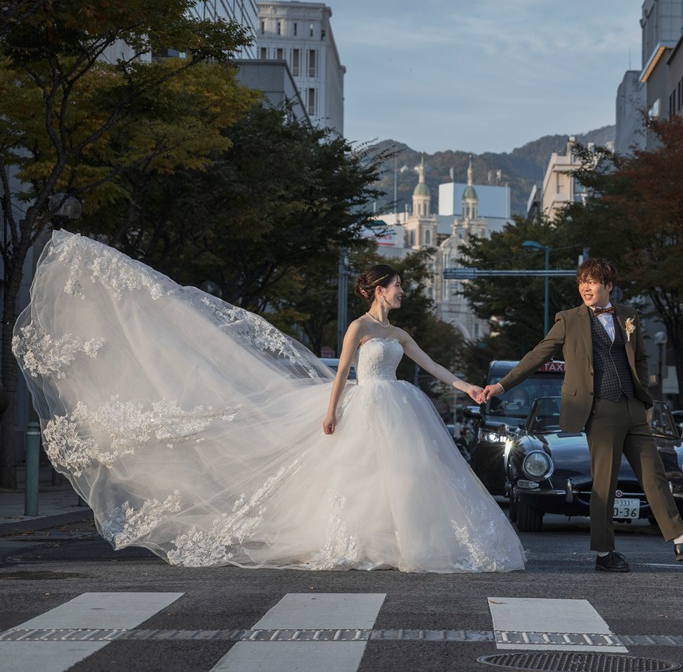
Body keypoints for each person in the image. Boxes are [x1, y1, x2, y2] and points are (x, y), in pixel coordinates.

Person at [14, 231, 525, 573]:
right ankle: (366, 541)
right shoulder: (358, 327)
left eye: (401, 286)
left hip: (400, 406)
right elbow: (343, 372)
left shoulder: (401, 332)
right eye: (397, 285)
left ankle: (402, 540)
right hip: (365, 405)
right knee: (359, 478)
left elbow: (433, 366)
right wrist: (331, 411)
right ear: (377, 290)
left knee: (407, 475)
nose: (402, 291)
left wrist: (469, 388)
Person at [479, 258, 683, 573]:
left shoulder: (628, 315)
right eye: (583, 282)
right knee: (604, 483)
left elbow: (642, 358)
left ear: (609, 286)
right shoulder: (568, 320)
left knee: (654, 475)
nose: (586, 288)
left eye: (593, 282)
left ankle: (682, 539)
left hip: (633, 408)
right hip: (600, 410)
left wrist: (644, 399)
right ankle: (605, 552)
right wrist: (501, 386)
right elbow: (537, 355)